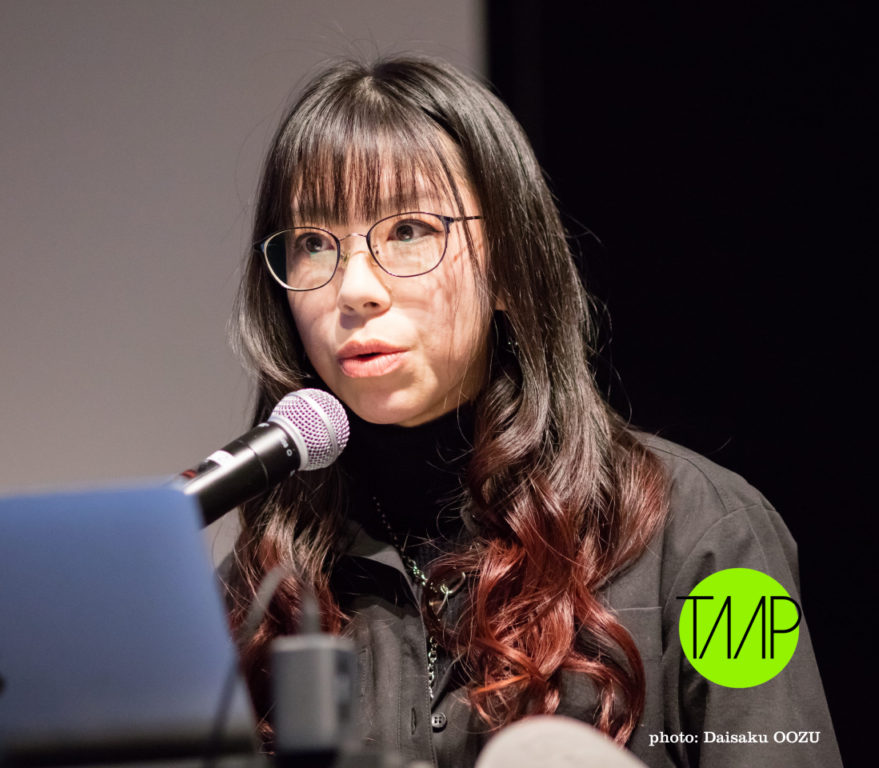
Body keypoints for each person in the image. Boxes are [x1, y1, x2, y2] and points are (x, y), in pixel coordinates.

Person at [209, 56, 841, 768]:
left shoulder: (709, 535)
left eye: (409, 230)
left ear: (509, 265)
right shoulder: (264, 587)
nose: (354, 288)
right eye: (313, 243)